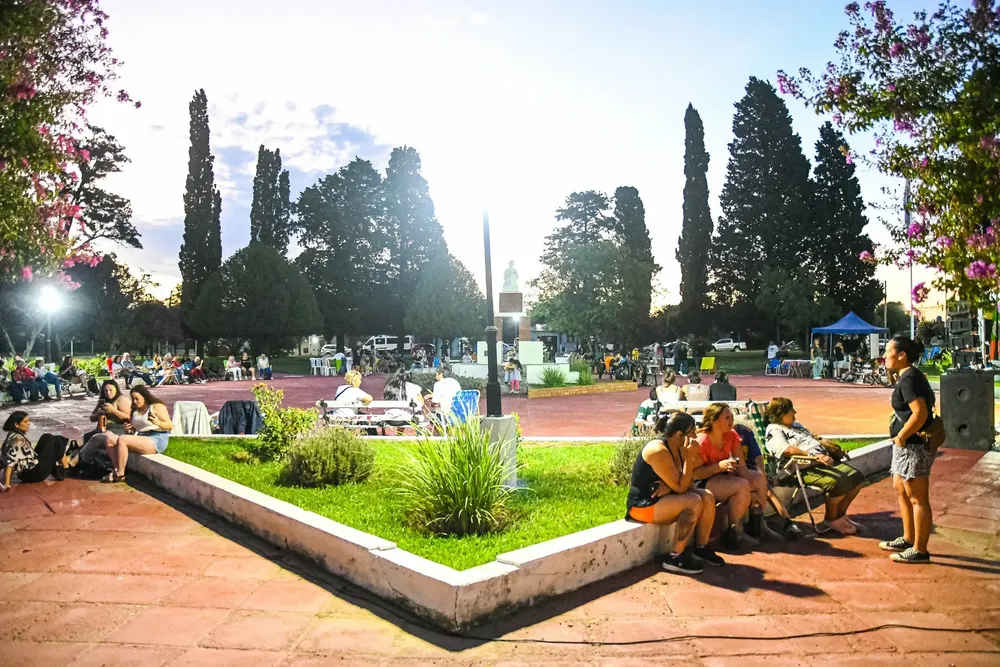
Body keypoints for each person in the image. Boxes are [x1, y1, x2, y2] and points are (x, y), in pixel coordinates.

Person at [625, 412, 726, 574]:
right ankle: (674, 557)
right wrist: (688, 459)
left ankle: (701, 547)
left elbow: (688, 482)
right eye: (692, 432)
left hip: (665, 499)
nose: (695, 436)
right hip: (642, 506)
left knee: (706, 496)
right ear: (680, 435)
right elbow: (681, 487)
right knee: (693, 501)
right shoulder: (658, 450)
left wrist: (671, 485)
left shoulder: (679, 447)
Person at [763, 397, 866, 535]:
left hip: (821, 462)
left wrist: (832, 448)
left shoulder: (796, 425)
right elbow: (786, 450)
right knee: (835, 482)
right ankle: (830, 519)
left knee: (857, 478)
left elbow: (814, 437)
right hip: (799, 468)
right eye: (791, 410)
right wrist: (813, 455)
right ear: (781, 414)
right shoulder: (774, 429)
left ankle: (839, 516)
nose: (795, 412)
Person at [880, 336, 937, 564]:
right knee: (901, 489)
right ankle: (908, 537)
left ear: (901, 354)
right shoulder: (907, 376)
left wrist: (902, 436)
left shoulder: (909, 378)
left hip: (913, 446)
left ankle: (920, 550)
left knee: (917, 497)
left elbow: (920, 412)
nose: (884, 356)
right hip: (906, 446)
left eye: (887, 352)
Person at [693, 403, 759, 551]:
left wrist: (754, 486)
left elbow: (741, 465)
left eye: (732, 417)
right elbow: (693, 473)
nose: (732, 420)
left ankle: (756, 527)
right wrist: (718, 467)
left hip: (720, 477)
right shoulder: (702, 440)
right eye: (727, 417)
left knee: (758, 479)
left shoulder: (731, 435)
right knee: (741, 486)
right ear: (714, 420)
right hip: (701, 482)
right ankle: (735, 532)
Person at [732, 417, 798, 539]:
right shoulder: (723, 435)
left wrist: (761, 474)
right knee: (761, 493)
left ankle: (786, 522)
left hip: (751, 471)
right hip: (734, 474)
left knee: (765, 489)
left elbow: (757, 456)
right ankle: (761, 527)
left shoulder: (745, 432)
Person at [97, 385, 172, 483]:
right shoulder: (135, 410)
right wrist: (129, 429)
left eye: (137, 399)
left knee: (123, 439)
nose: (135, 401)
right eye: (133, 399)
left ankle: (120, 473)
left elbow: (170, 425)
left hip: (156, 438)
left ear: (145, 396)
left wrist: (158, 423)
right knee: (109, 439)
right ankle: (116, 469)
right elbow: (134, 430)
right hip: (141, 437)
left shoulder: (156, 406)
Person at [1, 411, 70, 490]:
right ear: (16, 425)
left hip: (29, 469)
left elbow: (3, 458)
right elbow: (10, 462)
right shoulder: (17, 440)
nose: (29, 424)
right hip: (34, 473)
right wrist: (6, 482)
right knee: (56, 440)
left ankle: (58, 468)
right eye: (25, 422)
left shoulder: (12, 434)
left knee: (46, 437)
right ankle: (66, 470)